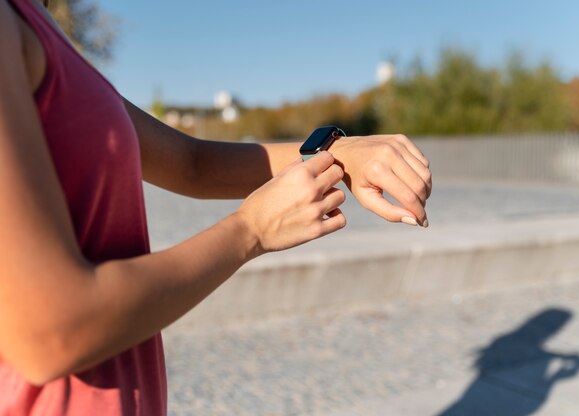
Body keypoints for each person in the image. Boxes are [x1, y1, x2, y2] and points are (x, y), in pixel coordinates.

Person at [0, 0, 432, 414]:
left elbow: (192, 163)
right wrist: (250, 231)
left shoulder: (36, 21)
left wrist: (340, 151)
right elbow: (52, 331)